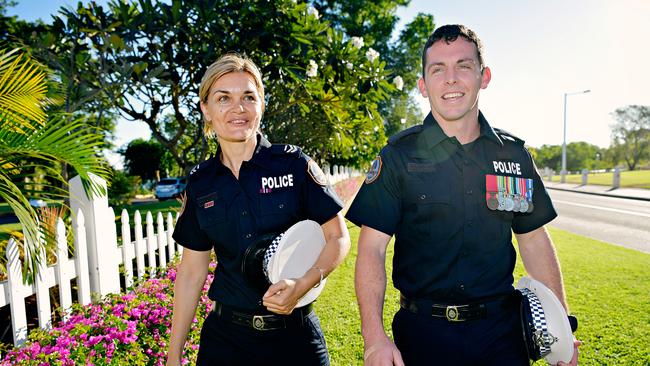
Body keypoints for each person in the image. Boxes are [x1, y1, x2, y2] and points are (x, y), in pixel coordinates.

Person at [345, 24, 580, 366]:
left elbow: (533, 241)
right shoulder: (397, 157)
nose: (451, 79)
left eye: (463, 66)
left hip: (502, 335)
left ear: (484, 77)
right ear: (423, 86)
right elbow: (371, 249)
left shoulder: (512, 156)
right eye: (438, 69)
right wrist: (374, 339)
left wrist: (561, 329)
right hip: (422, 335)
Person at [166, 53, 350, 366]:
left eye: (248, 97)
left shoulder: (294, 165)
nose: (238, 108)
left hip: (296, 340)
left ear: (261, 105)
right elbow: (192, 273)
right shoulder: (201, 183)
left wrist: (303, 284)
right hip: (226, 343)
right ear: (206, 110)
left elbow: (338, 238)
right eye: (223, 98)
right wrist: (173, 356)